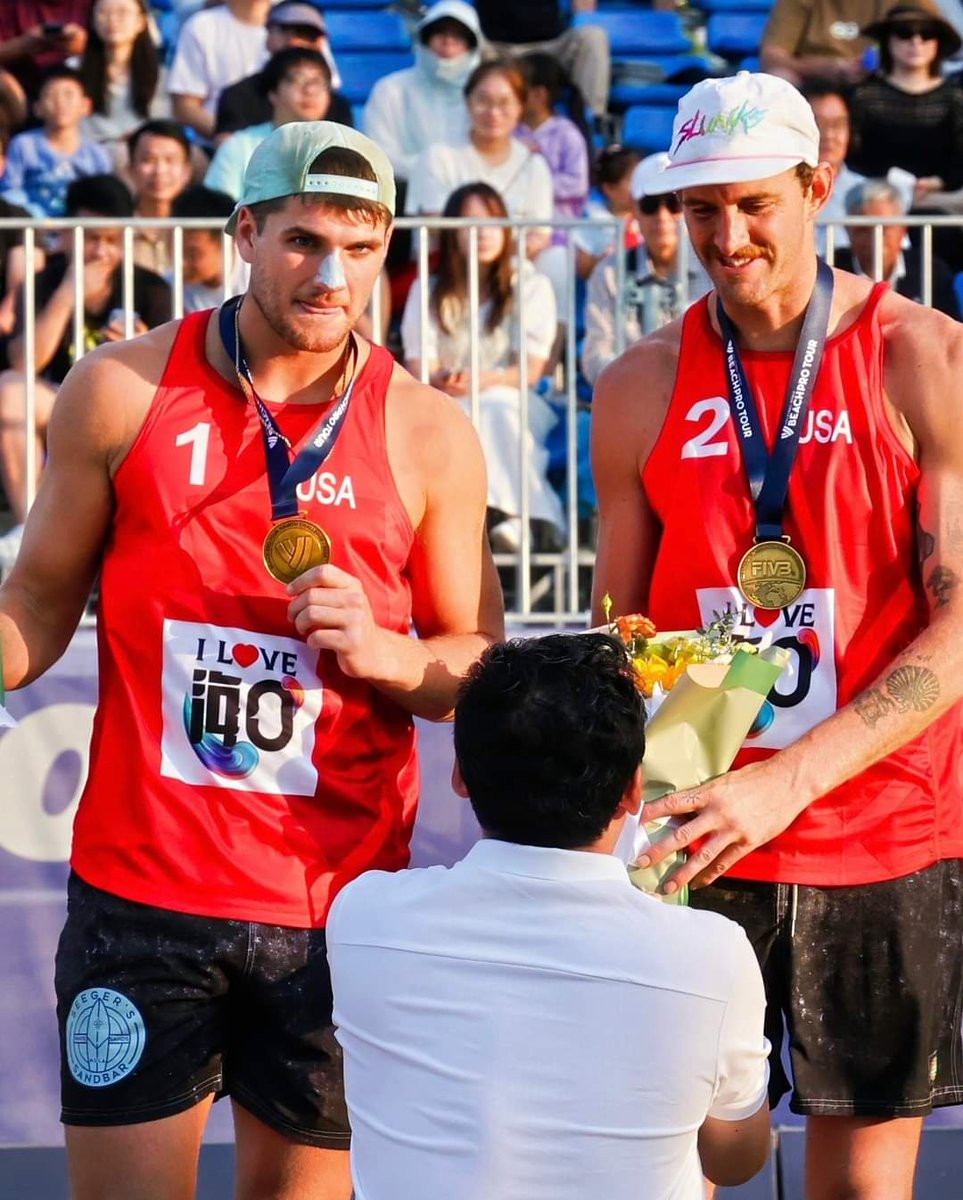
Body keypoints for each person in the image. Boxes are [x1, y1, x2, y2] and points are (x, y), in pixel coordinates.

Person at [0, 121, 502, 1199]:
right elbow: (36, 604)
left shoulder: (429, 432)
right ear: (244, 232)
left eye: (362, 251)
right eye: (305, 242)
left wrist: (384, 652)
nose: (333, 278)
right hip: (144, 897)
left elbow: (478, 669)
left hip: (336, 908)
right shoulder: (121, 390)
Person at [591, 69, 963, 1200]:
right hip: (700, 822)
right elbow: (627, 626)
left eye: (755, 203)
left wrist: (786, 781)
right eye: (700, 209)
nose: (726, 235)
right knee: (684, 1165)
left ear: (819, 185)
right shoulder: (640, 382)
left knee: (859, 1188)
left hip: (881, 829)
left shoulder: (922, 355)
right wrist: (623, 812)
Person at [327, 632, 772, 1200]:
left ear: (460, 775)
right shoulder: (712, 955)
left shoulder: (364, 918)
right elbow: (737, 1160)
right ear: (635, 789)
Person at [0, 172, 171, 525]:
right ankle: (29, 533)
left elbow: (171, 382)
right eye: (90, 238)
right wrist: (67, 293)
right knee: (9, 391)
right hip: (61, 401)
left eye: (111, 240)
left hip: (126, 407)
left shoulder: (150, 287)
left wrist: (139, 348)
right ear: (64, 235)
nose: (100, 252)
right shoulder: (44, 281)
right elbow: (23, 363)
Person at [402, 181, 564, 553]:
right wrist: (447, 379)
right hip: (447, 398)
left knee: (495, 407)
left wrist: (480, 379)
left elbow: (531, 370)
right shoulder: (426, 290)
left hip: (513, 397)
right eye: (470, 223)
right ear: (451, 231)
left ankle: (510, 517)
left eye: (492, 221)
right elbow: (419, 367)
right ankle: (501, 521)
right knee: (458, 414)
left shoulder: (531, 284)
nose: (483, 233)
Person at [405, 60, 554, 263]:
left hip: (511, 272)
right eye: (483, 100)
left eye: (504, 102)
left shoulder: (534, 166)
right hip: (447, 272)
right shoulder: (437, 157)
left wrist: (498, 258)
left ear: (520, 107)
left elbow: (539, 236)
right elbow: (436, 229)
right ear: (467, 102)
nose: (493, 112)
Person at [582, 153, 710, 387]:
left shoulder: (715, 267)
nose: (662, 217)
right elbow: (594, 358)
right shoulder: (609, 274)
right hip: (634, 401)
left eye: (673, 204)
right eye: (650, 205)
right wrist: (641, 382)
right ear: (635, 211)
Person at [850, 4, 963, 203]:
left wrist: (938, 182)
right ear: (887, 40)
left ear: (937, 42)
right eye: (904, 33)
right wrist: (888, 184)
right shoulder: (863, 96)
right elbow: (853, 157)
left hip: (943, 200)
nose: (916, 41)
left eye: (927, 34)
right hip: (875, 200)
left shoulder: (955, 98)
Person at [362, 0, 480, 184]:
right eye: (440, 33)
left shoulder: (484, 94)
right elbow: (377, 155)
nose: (448, 42)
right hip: (401, 193)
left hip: (472, 196)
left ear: (472, 46)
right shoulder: (390, 89)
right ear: (425, 38)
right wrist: (431, 172)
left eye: (458, 36)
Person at [205, 47, 332, 202]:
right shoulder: (238, 146)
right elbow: (218, 210)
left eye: (318, 82)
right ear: (273, 93)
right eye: (298, 80)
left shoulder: (341, 148)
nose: (310, 90)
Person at [215, 0, 352, 138]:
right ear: (268, 37)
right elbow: (228, 147)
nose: (295, 41)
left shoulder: (338, 107)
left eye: (307, 34)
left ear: (321, 43)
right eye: (285, 31)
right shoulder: (238, 96)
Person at [836, 177, 960, 315]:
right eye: (863, 228)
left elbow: (949, 330)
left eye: (885, 227)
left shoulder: (930, 271)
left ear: (902, 229)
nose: (875, 236)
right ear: (848, 231)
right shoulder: (830, 270)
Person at [0, 65, 111, 217]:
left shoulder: (96, 153)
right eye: (51, 95)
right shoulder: (23, 145)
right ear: (37, 108)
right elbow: (10, 190)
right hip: (33, 227)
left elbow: (104, 195)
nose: (60, 103)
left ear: (85, 106)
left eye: (68, 95)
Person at [474, 0, 610, 119]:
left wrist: (582, 15)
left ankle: (592, 123)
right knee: (461, 37)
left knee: (593, 37)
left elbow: (584, 9)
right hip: (492, 49)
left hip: (551, 48)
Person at [78, 0, 170, 172]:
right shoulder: (74, 71)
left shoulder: (160, 75)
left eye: (122, 12)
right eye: (103, 12)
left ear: (141, 21)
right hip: (88, 152)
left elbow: (162, 123)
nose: (112, 19)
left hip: (142, 151)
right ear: (91, 20)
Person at [168, 0, 272, 142]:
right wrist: (234, 141)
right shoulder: (202, 26)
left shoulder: (298, 23)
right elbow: (185, 107)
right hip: (214, 145)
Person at [760, 0, 895, 86]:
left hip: (883, 81)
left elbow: (913, 36)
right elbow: (771, 58)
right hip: (814, 84)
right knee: (780, 79)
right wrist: (827, 67)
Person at [127, 119, 193, 277]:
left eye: (170, 161)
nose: (159, 171)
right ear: (130, 169)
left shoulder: (198, 231)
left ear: (187, 171)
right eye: (148, 160)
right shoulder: (116, 230)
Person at [572, 142, 641, 280]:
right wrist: (609, 258)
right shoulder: (594, 219)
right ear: (609, 188)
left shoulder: (649, 213)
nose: (640, 185)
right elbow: (583, 268)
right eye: (633, 180)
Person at [170, 184, 243, 313]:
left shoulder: (256, 278)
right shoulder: (170, 285)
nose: (181, 263)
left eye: (193, 254)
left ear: (228, 242)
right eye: (176, 251)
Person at [0, 2, 92, 102]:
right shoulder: (9, 5)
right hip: (22, 91)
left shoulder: (90, 5)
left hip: (83, 87)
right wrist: (24, 45)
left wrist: (86, 46)